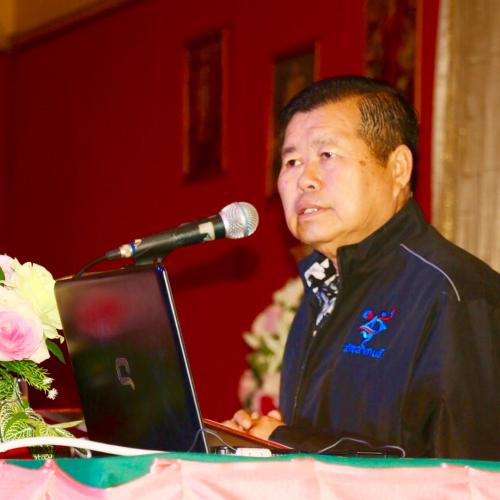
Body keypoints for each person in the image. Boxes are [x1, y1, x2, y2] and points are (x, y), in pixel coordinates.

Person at [227, 75, 500, 459]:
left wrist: (288, 442)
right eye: (291, 161)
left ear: (398, 168)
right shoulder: (321, 291)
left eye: (327, 155)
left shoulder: (454, 294)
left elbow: (469, 477)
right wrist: (266, 443)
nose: (305, 179)